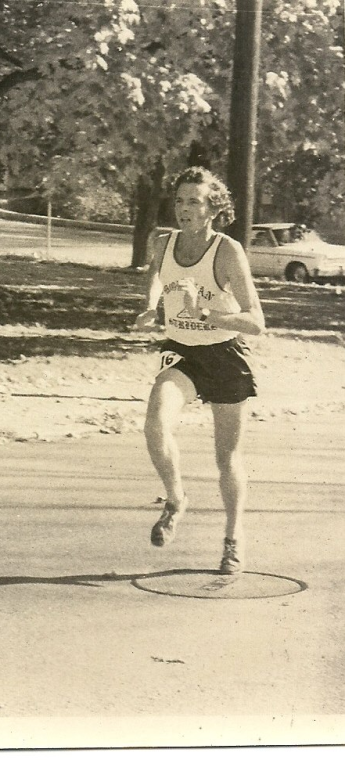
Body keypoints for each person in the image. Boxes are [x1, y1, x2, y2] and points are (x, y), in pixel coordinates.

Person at [133, 166, 265, 574]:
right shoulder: (163, 241)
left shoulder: (227, 251)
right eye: (179, 200)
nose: (184, 208)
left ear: (212, 208)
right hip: (182, 353)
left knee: (226, 458)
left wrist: (204, 312)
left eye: (194, 201)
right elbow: (156, 274)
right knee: (155, 424)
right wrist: (151, 306)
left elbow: (257, 321)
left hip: (224, 355)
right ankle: (176, 499)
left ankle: (232, 537)